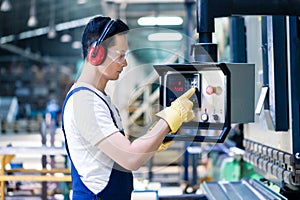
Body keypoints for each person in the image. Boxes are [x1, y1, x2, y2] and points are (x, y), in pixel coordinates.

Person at [61, 15, 196, 200]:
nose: (125, 63)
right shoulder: (84, 103)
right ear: (96, 53)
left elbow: (116, 154)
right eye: (120, 55)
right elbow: (130, 158)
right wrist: (169, 118)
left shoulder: (98, 97)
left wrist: (155, 140)